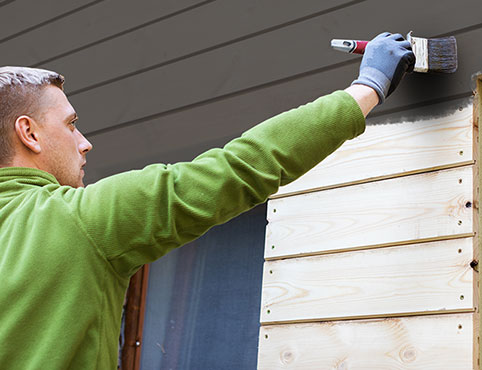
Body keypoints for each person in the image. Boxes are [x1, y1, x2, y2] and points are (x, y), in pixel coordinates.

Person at [0, 32, 414, 369]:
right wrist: (368, 87)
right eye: (71, 125)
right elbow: (239, 168)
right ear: (29, 133)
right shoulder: (79, 220)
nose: (84, 143)